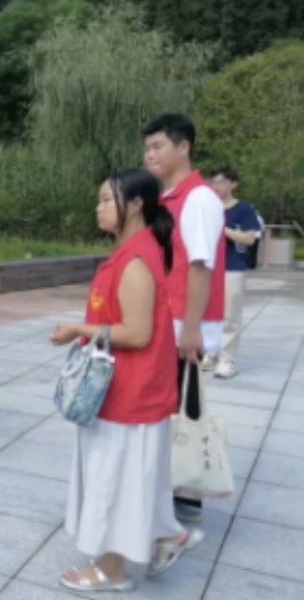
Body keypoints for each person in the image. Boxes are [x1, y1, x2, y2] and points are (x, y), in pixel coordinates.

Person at [50, 169, 204, 592]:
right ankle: (166, 533)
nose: (97, 207)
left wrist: (78, 329)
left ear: (135, 205)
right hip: (131, 388)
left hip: (129, 391)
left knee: (114, 476)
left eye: (106, 199)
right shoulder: (135, 251)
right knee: (135, 473)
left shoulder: (136, 260)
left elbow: (136, 333)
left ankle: (112, 570)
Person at [143, 113, 226, 525]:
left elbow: (200, 266)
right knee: (173, 407)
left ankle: (185, 495)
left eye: (157, 146)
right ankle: (178, 491)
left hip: (183, 323)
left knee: (181, 408)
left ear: (183, 147)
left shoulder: (198, 199)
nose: (150, 155)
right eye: (146, 149)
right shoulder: (171, 198)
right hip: (171, 318)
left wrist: (191, 328)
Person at [209, 167, 262, 380]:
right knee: (209, 315)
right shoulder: (208, 206)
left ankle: (227, 360)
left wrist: (223, 230)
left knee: (230, 316)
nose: (217, 186)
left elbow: (249, 238)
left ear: (233, 184)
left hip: (232, 267)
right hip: (208, 268)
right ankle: (210, 354)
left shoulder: (244, 209)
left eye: (222, 182)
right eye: (214, 182)